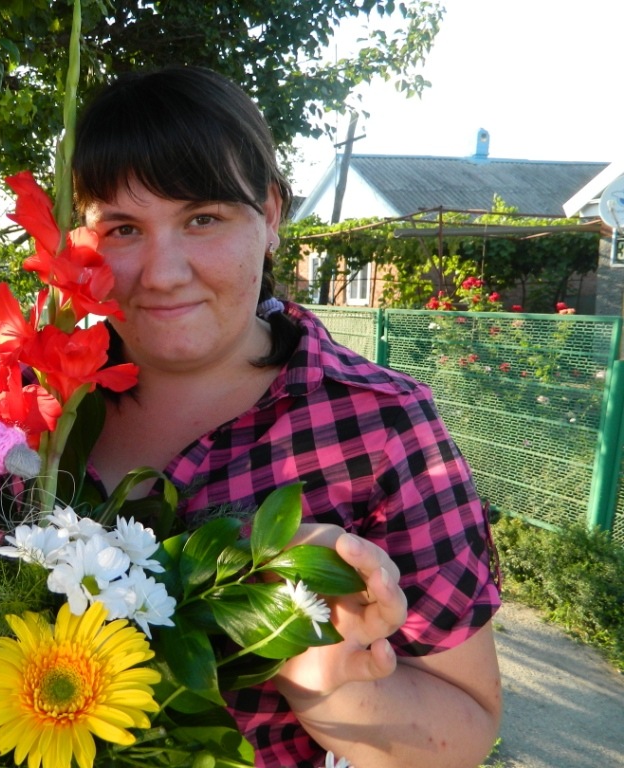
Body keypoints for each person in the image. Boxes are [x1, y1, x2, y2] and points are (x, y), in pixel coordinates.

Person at [70, 66, 502, 768]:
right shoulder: (23, 409)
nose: (163, 272)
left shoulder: (383, 428)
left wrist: (325, 682)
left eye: (202, 218)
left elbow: (468, 726)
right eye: (122, 228)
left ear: (270, 215)